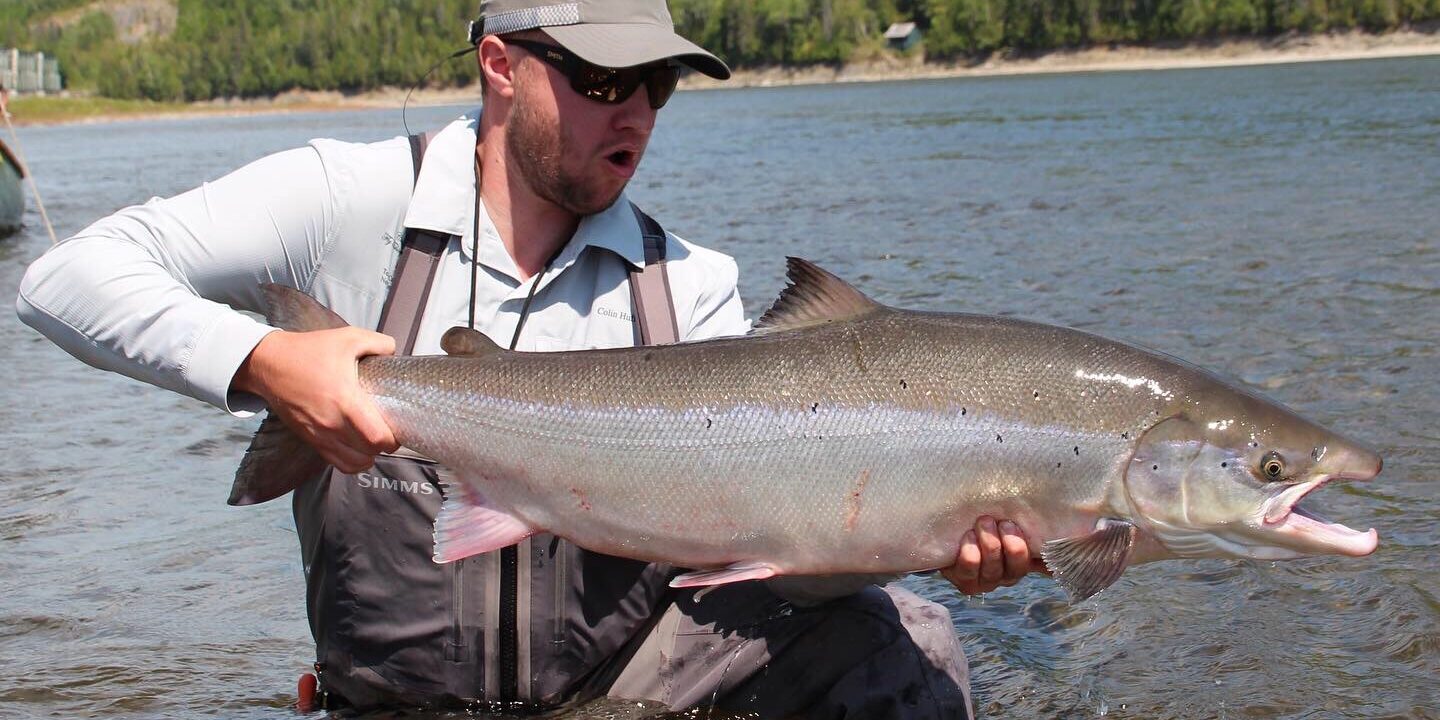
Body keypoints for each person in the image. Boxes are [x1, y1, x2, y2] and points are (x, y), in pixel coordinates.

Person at [16, 0, 1045, 716]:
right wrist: (265, 360)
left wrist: (913, 535)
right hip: (393, 697)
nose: (635, 112)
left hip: (625, 697)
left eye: (659, 85)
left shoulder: (685, 286)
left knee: (909, 632)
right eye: (605, 79)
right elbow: (67, 281)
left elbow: (759, 563)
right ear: (500, 65)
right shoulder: (343, 202)